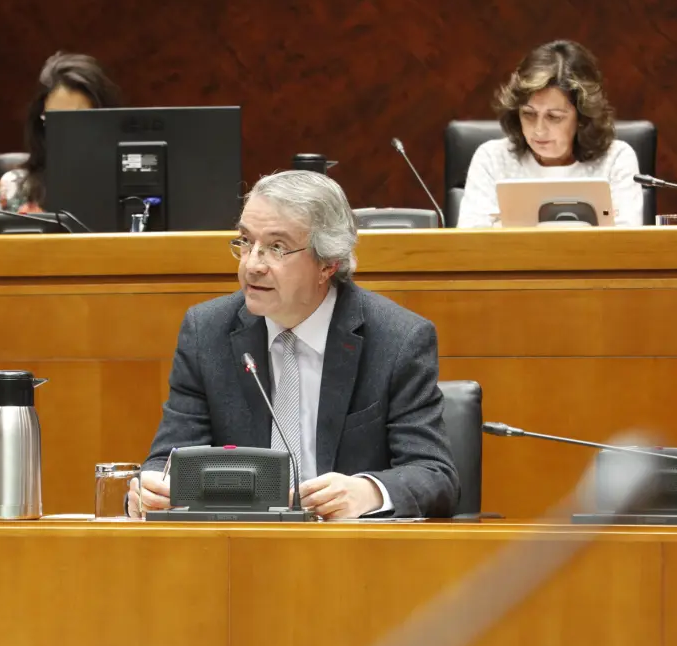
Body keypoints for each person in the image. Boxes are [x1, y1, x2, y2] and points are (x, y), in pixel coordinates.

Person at [128, 171, 459, 519]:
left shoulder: (397, 339)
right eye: (245, 241)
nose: (252, 265)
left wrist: (368, 491)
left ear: (328, 264)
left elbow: (435, 475)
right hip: (239, 542)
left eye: (277, 248)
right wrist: (149, 490)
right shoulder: (207, 332)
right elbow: (168, 459)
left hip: (347, 545)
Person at [457, 40, 644, 228]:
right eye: (528, 114)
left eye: (554, 117)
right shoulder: (492, 158)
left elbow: (627, 240)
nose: (539, 130)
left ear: (582, 118)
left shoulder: (615, 159)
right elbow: (470, 239)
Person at [0, 52, 123, 226]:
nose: (67, 131)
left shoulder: (128, 190)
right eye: (56, 120)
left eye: (78, 119)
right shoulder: (12, 190)